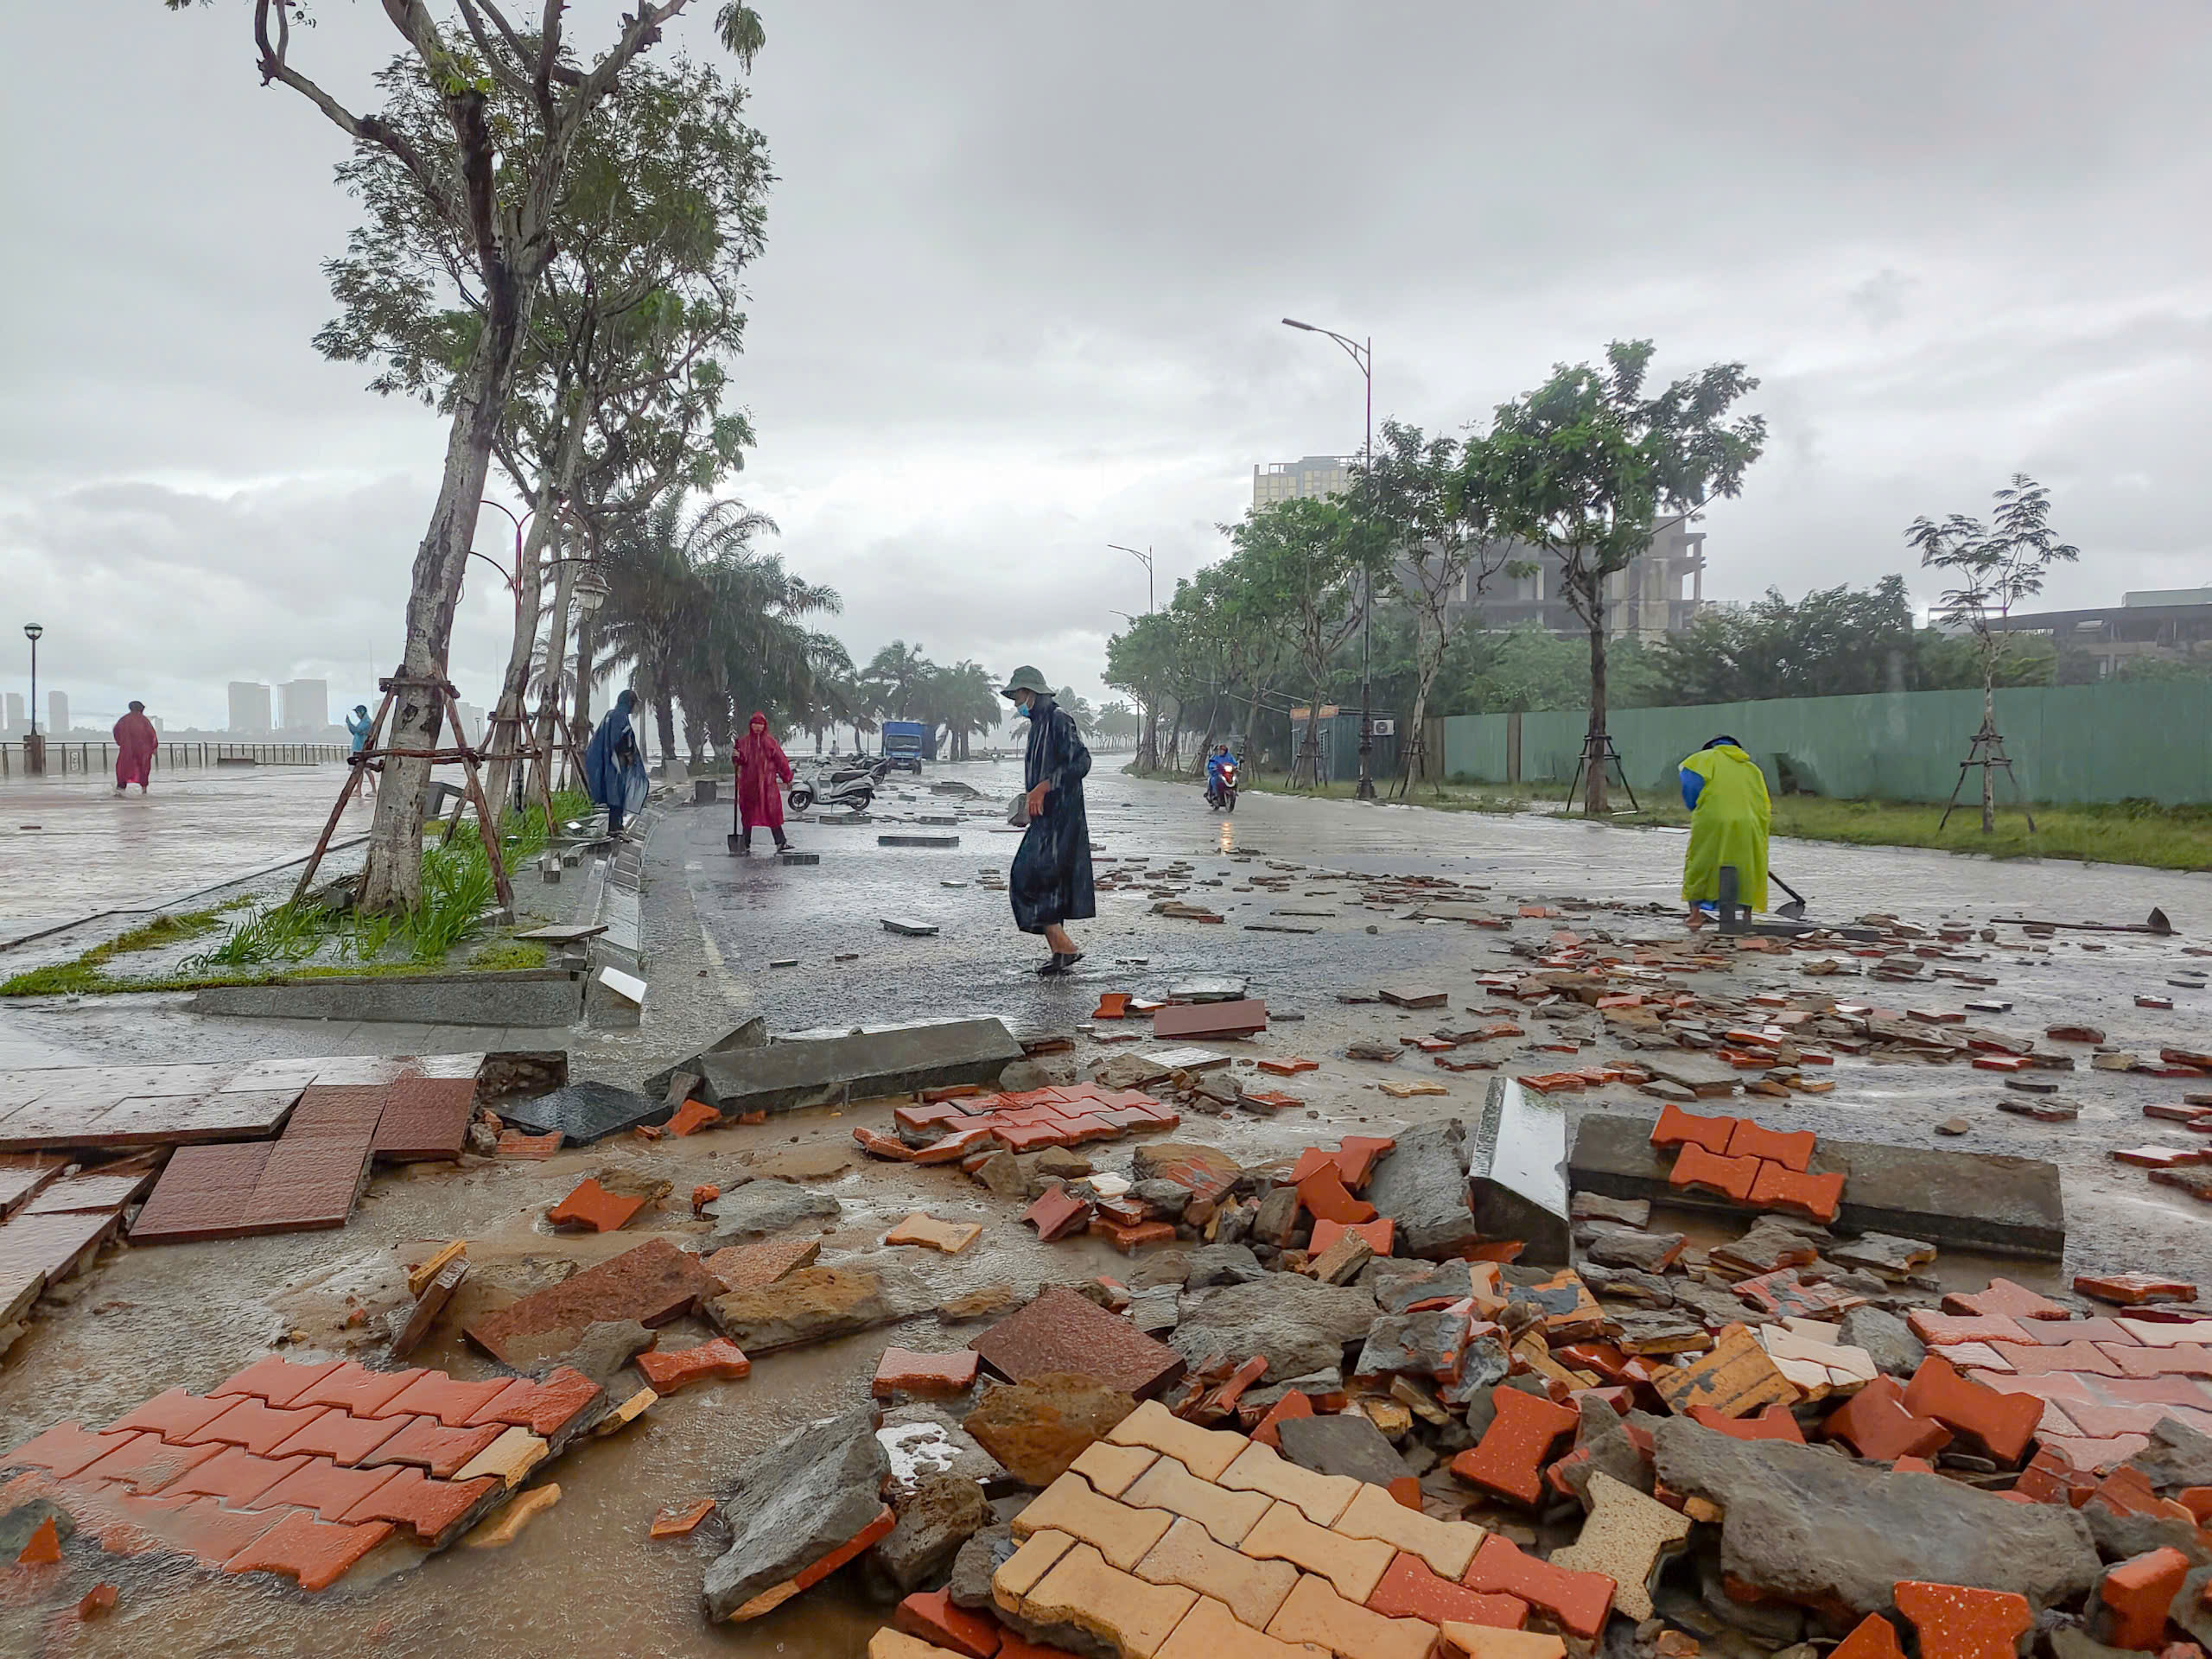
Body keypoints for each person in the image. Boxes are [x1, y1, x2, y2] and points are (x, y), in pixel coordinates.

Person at [1001, 665, 1093, 975]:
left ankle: (1064, 945)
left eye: (1019, 696)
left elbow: (1081, 761)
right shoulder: (1038, 725)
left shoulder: (1058, 718)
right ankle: (1060, 952)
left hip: (1062, 819)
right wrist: (1030, 802)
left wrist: (1044, 786)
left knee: (1024, 876)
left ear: (1032, 693)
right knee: (1048, 883)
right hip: (1045, 817)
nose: (1016, 703)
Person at [1679, 734, 1770, 927]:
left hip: (1713, 819)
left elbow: (1690, 787)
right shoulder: (1752, 768)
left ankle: (1695, 915)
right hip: (1750, 821)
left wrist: (1695, 806)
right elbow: (1763, 800)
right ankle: (1746, 917)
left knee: (1702, 863)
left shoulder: (1702, 759)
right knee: (1748, 866)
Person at [583, 689, 650, 837]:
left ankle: (616, 827)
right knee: (616, 794)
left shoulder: (611, 714)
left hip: (608, 762)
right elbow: (621, 739)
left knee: (614, 794)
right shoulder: (620, 717)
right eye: (634, 703)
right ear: (629, 702)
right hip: (616, 763)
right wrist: (628, 755)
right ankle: (615, 829)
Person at [734, 710, 795, 855]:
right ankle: (744, 844)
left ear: (764, 726)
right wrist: (736, 757)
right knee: (747, 813)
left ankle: (781, 842)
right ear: (751, 725)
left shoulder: (770, 742)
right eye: (755, 724)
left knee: (772, 812)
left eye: (760, 724)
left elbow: (781, 761)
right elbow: (741, 760)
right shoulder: (744, 742)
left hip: (768, 786)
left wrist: (787, 777)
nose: (758, 727)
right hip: (749, 784)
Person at [111, 701, 157, 794]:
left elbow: (116, 731)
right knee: (143, 769)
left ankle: (120, 791)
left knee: (123, 769)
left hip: (127, 750)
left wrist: (121, 742)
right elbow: (152, 735)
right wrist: (153, 748)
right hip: (142, 751)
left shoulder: (124, 719)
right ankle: (144, 792)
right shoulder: (144, 720)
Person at [346, 702, 378, 792]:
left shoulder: (367, 723)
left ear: (361, 712)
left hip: (362, 748)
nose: (357, 715)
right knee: (360, 770)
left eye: (357, 713)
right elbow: (354, 732)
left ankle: (372, 790)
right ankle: (359, 790)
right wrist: (349, 724)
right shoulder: (363, 722)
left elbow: (357, 731)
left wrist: (349, 723)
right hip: (358, 747)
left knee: (365, 770)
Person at [1205, 742, 1236, 806]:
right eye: (1220, 750)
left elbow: (1234, 763)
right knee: (1214, 780)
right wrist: (1213, 767)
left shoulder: (1229, 757)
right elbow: (1211, 764)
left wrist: (1235, 766)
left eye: (1223, 750)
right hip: (1217, 774)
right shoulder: (1214, 757)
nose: (1221, 751)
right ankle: (1215, 796)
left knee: (1235, 780)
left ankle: (1234, 791)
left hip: (1227, 774)